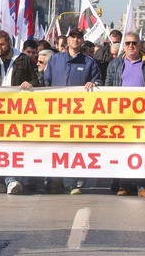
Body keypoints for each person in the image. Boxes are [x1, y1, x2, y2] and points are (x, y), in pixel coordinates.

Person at [0, 30, 39, 194]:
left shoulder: (22, 59)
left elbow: (36, 80)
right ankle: (3, 181)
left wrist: (28, 84)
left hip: (16, 108)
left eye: (2, 44)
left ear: (9, 43)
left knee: (12, 145)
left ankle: (9, 179)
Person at [43, 27, 102, 194]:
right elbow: (46, 82)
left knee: (72, 148)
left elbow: (99, 81)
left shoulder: (89, 62)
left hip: (77, 115)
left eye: (79, 37)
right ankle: (51, 181)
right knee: (54, 147)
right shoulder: (55, 60)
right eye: (72, 37)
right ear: (67, 40)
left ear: (82, 41)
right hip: (55, 112)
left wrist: (94, 84)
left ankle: (70, 181)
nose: (75, 40)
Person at [105, 31, 145, 198]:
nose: (131, 46)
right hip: (121, 116)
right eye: (128, 43)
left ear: (139, 45)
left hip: (143, 116)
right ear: (124, 45)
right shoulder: (115, 64)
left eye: (134, 43)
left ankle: (142, 186)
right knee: (123, 151)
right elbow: (108, 87)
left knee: (142, 150)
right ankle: (124, 185)